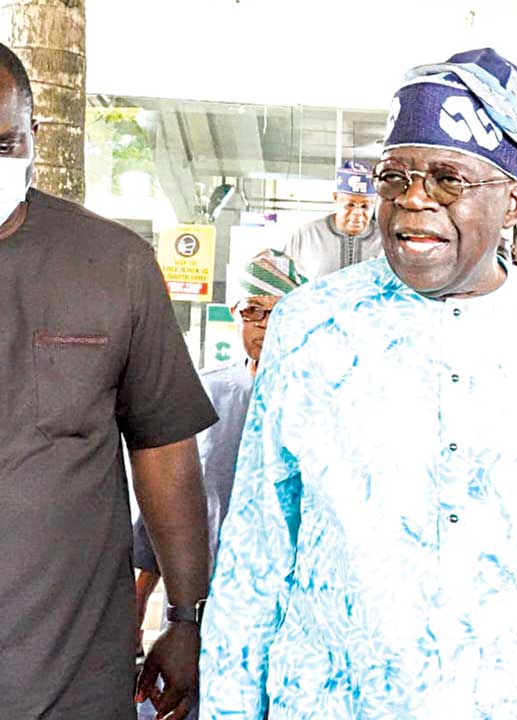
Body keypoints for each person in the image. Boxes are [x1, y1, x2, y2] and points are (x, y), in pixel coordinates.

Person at [199, 48, 517, 719]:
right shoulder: (311, 326)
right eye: (395, 177)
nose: (413, 200)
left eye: (448, 180)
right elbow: (256, 553)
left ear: (513, 202)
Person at [0, 43, 216, 720]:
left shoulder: (113, 265)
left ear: (34, 136)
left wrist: (185, 617)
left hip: (69, 679)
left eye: (2, 143)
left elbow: (165, 450)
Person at [132, 251, 308, 720]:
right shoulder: (202, 394)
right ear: (235, 315)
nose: (265, 325)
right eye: (253, 311)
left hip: (288, 610)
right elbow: (165, 508)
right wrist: (139, 604)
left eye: (279, 312)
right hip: (202, 607)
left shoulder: (321, 400)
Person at [284, 159, 383, 278]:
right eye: (350, 205)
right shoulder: (307, 233)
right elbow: (282, 274)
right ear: (336, 198)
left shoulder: (384, 238)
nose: (357, 213)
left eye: (365, 206)